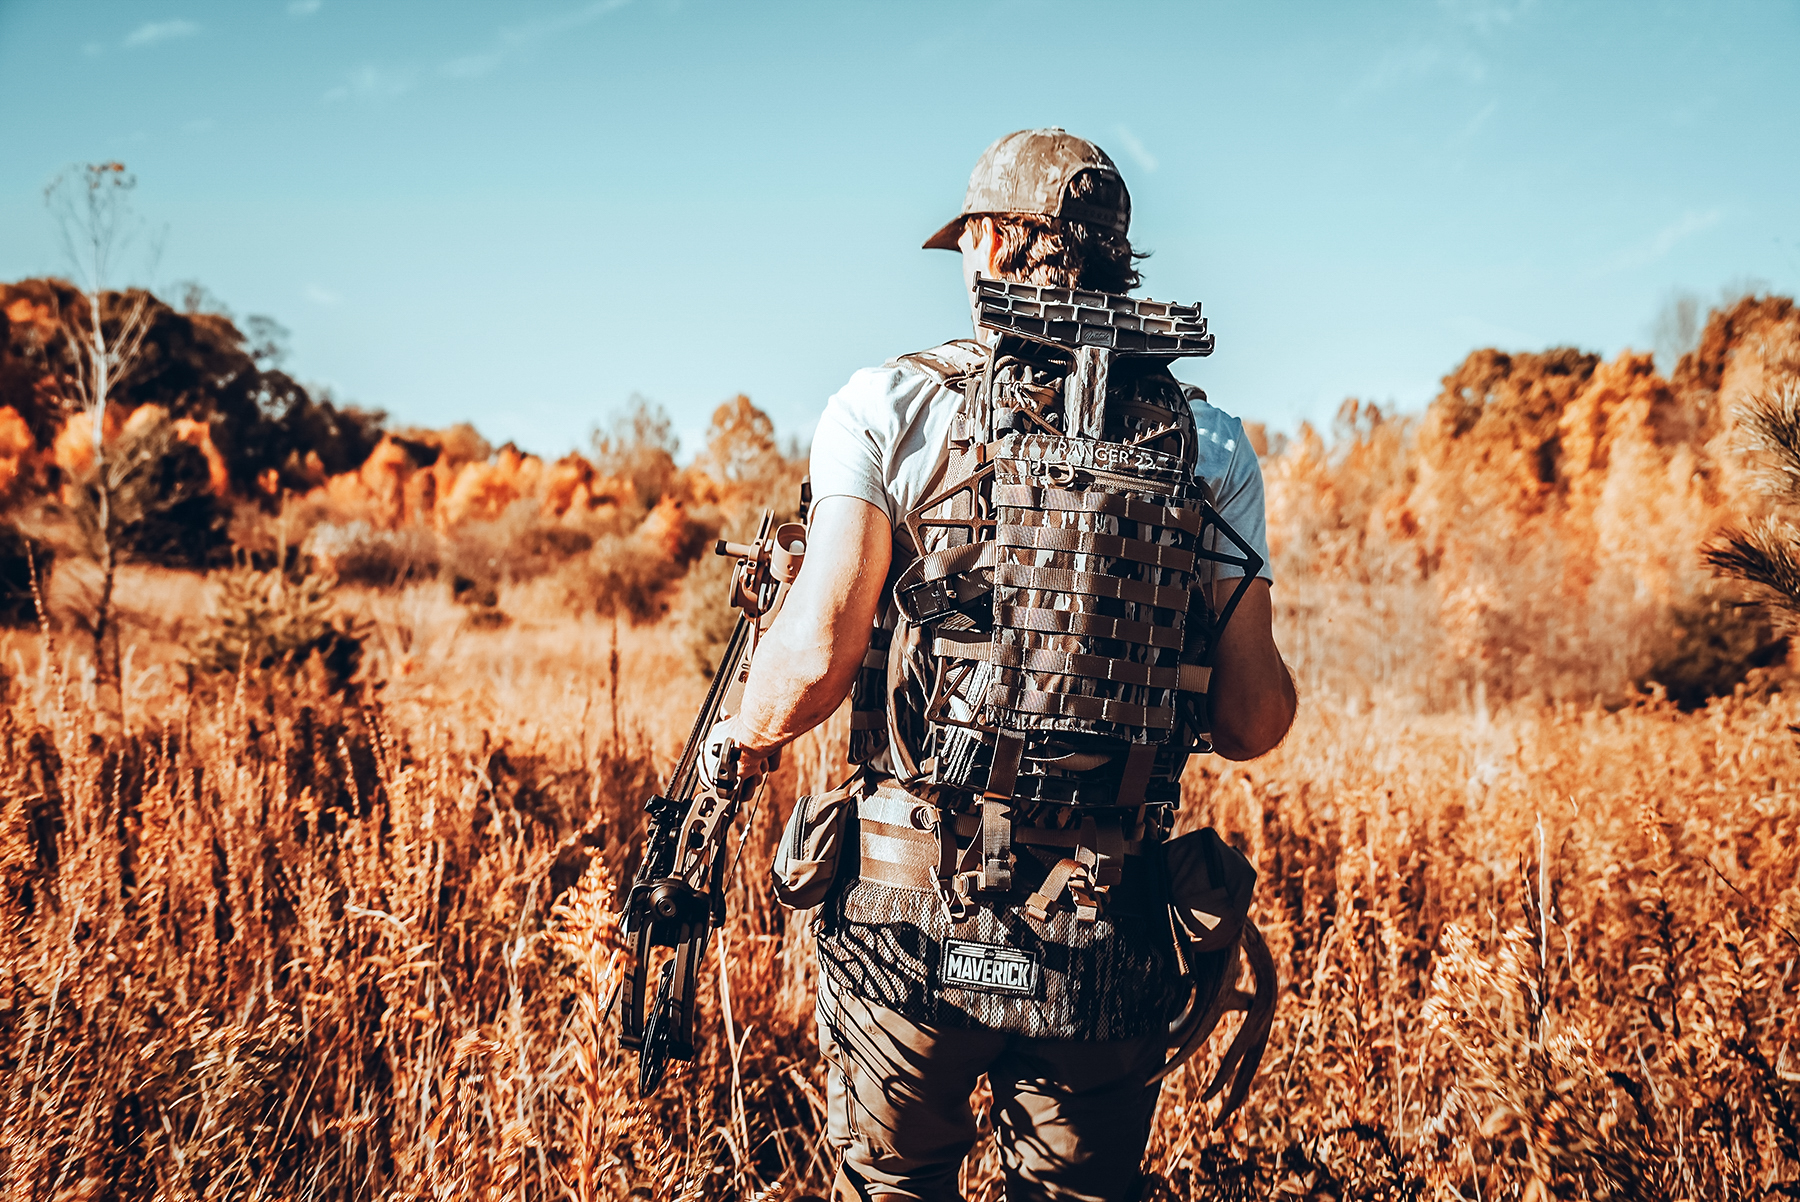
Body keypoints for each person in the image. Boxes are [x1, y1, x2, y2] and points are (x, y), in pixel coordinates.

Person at [707, 128, 1296, 1202]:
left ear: (985, 243)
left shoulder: (888, 405)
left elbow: (821, 650)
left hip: (908, 914)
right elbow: (1254, 719)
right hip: (1105, 921)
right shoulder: (1209, 444)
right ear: (1119, 257)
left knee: (896, 1184)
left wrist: (736, 744)